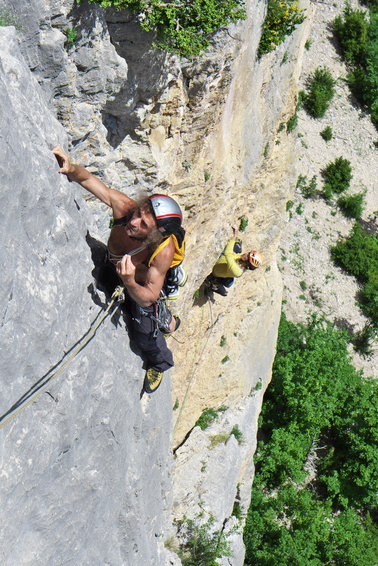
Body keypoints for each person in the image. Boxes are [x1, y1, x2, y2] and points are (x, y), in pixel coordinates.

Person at [52, 146, 185, 393]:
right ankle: (168, 320)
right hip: (118, 268)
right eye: (139, 213)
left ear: (157, 233)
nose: (133, 222)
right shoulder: (126, 209)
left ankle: (159, 360)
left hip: (140, 283)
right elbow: (90, 181)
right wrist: (70, 168)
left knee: (144, 332)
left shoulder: (162, 252)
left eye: (143, 223)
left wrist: (131, 282)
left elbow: (149, 296)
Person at [206, 225, 263, 296]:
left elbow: (227, 253)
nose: (245, 253)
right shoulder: (242, 263)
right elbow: (233, 255)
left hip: (217, 269)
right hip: (226, 266)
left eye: (247, 255)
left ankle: (214, 283)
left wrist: (235, 235)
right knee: (238, 246)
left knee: (227, 285)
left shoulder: (237, 270)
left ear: (247, 262)